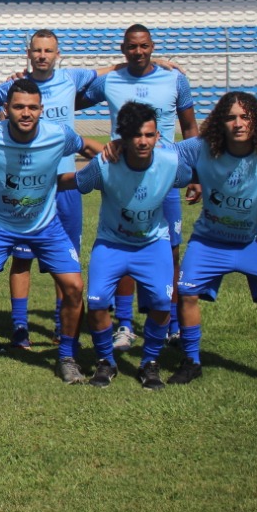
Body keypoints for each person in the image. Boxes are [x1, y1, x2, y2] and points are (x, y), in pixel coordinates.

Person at [0, 79, 101, 386]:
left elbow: (87, 147)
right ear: (6, 109)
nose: (26, 113)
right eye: (19, 107)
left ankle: (67, 357)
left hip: (45, 225)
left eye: (32, 107)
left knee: (74, 287)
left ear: (41, 110)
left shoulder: (58, 135)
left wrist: (118, 153)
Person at [59, 101, 192, 389]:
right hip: (112, 244)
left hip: (153, 244)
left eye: (149, 135)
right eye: (136, 135)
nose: (143, 141)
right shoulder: (105, 164)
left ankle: (150, 363)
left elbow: (197, 172)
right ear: (123, 138)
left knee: (160, 302)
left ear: (158, 136)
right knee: (96, 303)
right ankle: (106, 361)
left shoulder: (172, 163)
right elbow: (77, 181)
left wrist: (201, 183)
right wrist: (40, 183)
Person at [170, 92, 257, 391]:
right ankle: (191, 361)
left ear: (256, 120)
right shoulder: (201, 148)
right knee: (186, 291)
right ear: (220, 122)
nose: (238, 123)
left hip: (255, 239)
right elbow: (159, 152)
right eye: (231, 117)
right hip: (209, 239)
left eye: (245, 116)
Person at [82, 23, 197, 346]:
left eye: (144, 46)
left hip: (165, 176)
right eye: (132, 47)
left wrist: (197, 174)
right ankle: (125, 324)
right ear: (123, 49)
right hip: (123, 173)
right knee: (124, 245)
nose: (138, 52)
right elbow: (70, 99)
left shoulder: (175, 79)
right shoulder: (111, 81)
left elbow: (190, 126)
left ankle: (171, 320)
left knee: (170, 250)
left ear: (152, 46)